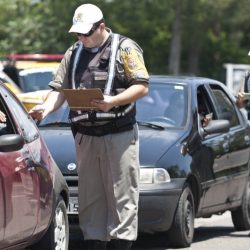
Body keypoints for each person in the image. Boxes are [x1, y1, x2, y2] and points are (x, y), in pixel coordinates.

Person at [29, 3, 149, 250]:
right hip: (85, 136)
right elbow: (58, 89)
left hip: (119, 135)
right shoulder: (73, 52)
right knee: (90, 201)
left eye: (86, 33)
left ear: (101, 26)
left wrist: (111, 102)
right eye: (78, 34)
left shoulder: (125, 48)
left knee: (122, 199)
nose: (81, 38)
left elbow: (142, 86)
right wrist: (46, 108)